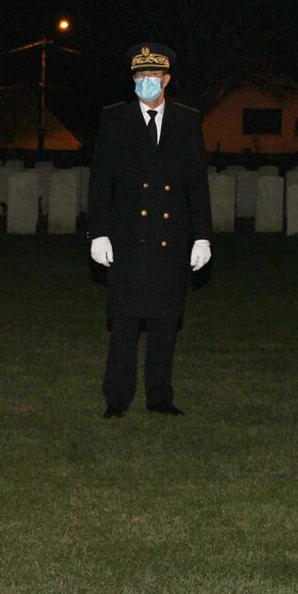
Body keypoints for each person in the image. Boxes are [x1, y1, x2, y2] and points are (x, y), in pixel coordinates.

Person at [88, 43, 212, 418]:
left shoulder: (187, 120)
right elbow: (100, 182)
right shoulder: (114, 119)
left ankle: (160, 397)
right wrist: (98, 233)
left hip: (170, 240)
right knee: (124, 323)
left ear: (167, 80)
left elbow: (196, 184)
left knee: (164, 323)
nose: (146, 82)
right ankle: (117, 398)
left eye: (153, 76)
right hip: (127, 238)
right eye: (140, 76)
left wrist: (203, 236)